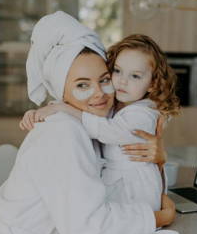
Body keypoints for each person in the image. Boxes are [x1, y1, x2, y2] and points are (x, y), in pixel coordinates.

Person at [0, 11, 175, 234]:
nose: (99, 94)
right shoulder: (63, 133)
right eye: (82, 85)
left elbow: (118, 137)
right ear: (61, 92)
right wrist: (158, 218)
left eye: (104, 80)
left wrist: (158, 155)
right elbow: (86, 224)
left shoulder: (89, 119)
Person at [22, 34, 180, 212]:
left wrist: (64, 109)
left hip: (135, 188)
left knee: (131, 226)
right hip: (118, 182)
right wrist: (45, 111)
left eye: (135, 76)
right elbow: (84, 111)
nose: (122, 81)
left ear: (153, 83)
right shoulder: (118, 105)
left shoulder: (144, 113)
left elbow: (108, 130)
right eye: (117, 71)